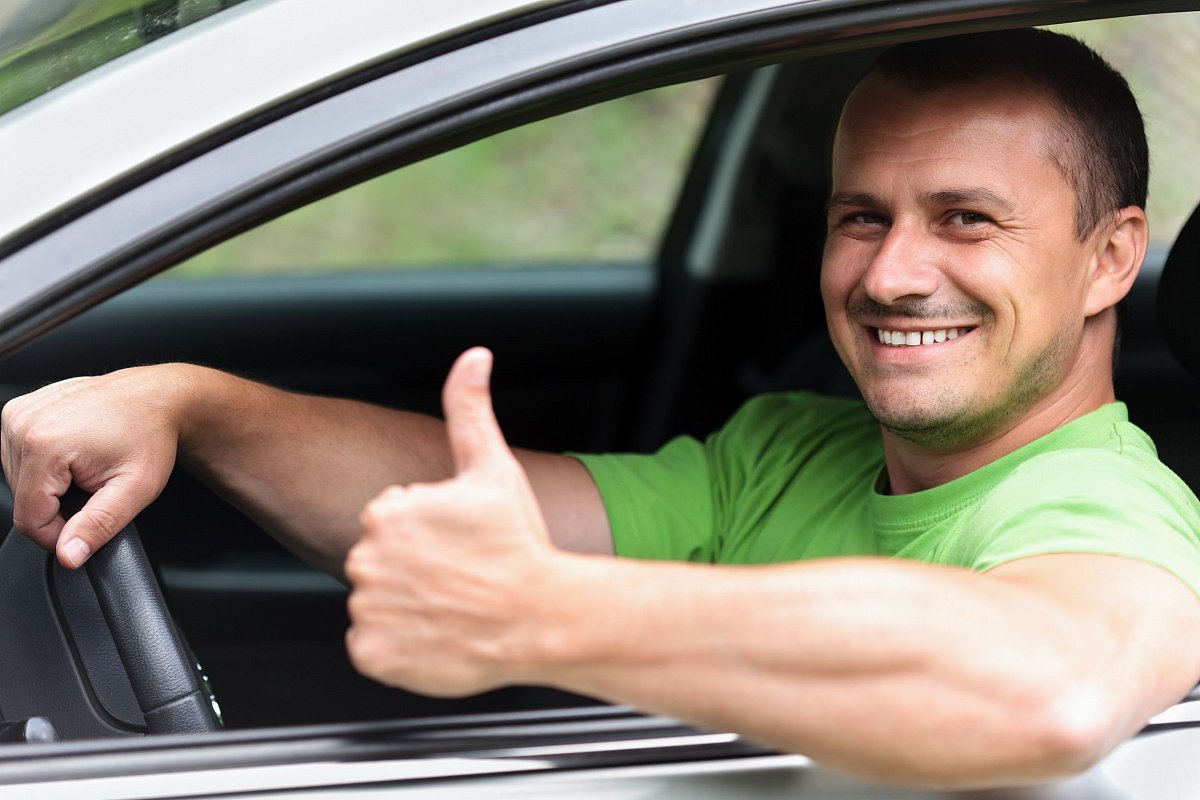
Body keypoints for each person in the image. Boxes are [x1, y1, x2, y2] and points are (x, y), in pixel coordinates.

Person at [3, 27, 1199, 788]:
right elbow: (484, 511)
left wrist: (538, 612)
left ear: (1109, 258)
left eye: (966, 219)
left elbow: (1054, 684)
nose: (890, 273)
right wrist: (194, 405)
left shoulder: (1108, 505)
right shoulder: (789, 449)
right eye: (861, 216)